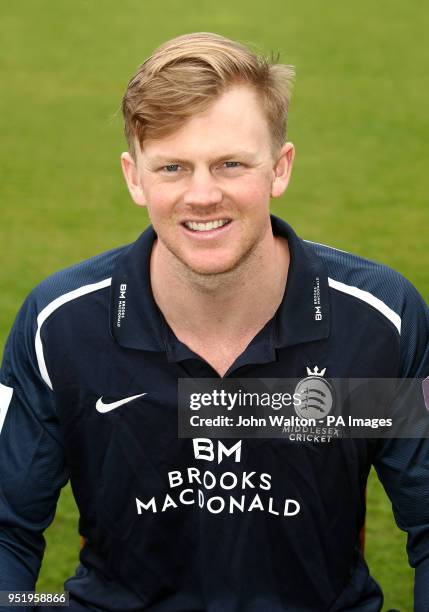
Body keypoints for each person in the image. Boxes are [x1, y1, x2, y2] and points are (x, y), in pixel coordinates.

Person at [0, 32, 428, 612]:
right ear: (134, 176)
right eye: (172, 167)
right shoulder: (59, 325)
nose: (202, 195)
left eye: (230, 164)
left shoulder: (379, 320)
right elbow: (7, 529)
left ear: (280, 168)